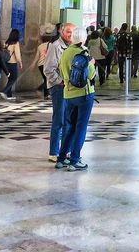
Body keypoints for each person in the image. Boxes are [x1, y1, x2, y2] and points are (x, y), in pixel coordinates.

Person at [55, 27, 96, 171]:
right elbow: (91, 75)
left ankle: (61, 158)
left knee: (70, 127)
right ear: (84, 39)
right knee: (81, 127)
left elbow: (61, 71)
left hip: (68, 94)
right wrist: (92, 64)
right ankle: (75, 159)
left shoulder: (65, 52)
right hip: (84, 94)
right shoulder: (83, 53)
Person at [45, 23, 74, 161]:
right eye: (68, 31)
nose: (71, 34)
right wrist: (60, 81)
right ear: (62, 32)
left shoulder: (73, 47)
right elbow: (48, 69)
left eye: (73, 32)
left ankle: (66, 150)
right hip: (58, 87)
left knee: (68, 120)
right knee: (59, 120)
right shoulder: (55, 46)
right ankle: (54, 152)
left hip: (70, 88)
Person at [2, 29, 23, 101]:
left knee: (10, 79)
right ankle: (4, 91)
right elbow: (17, 54)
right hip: (12, 63)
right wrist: (20, 63)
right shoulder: (16, 43)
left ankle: (9, 95)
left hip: (6, 63)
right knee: (14, 78)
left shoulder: (6, 43)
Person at [35, 34, 51, 100]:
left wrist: (33, 64)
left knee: (46, 79)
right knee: (48, 79)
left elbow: (37, 57)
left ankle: (46, 95)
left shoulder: (40, 46)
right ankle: (39, 89)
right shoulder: (51, 45)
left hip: (40, 65)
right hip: (47, 64)